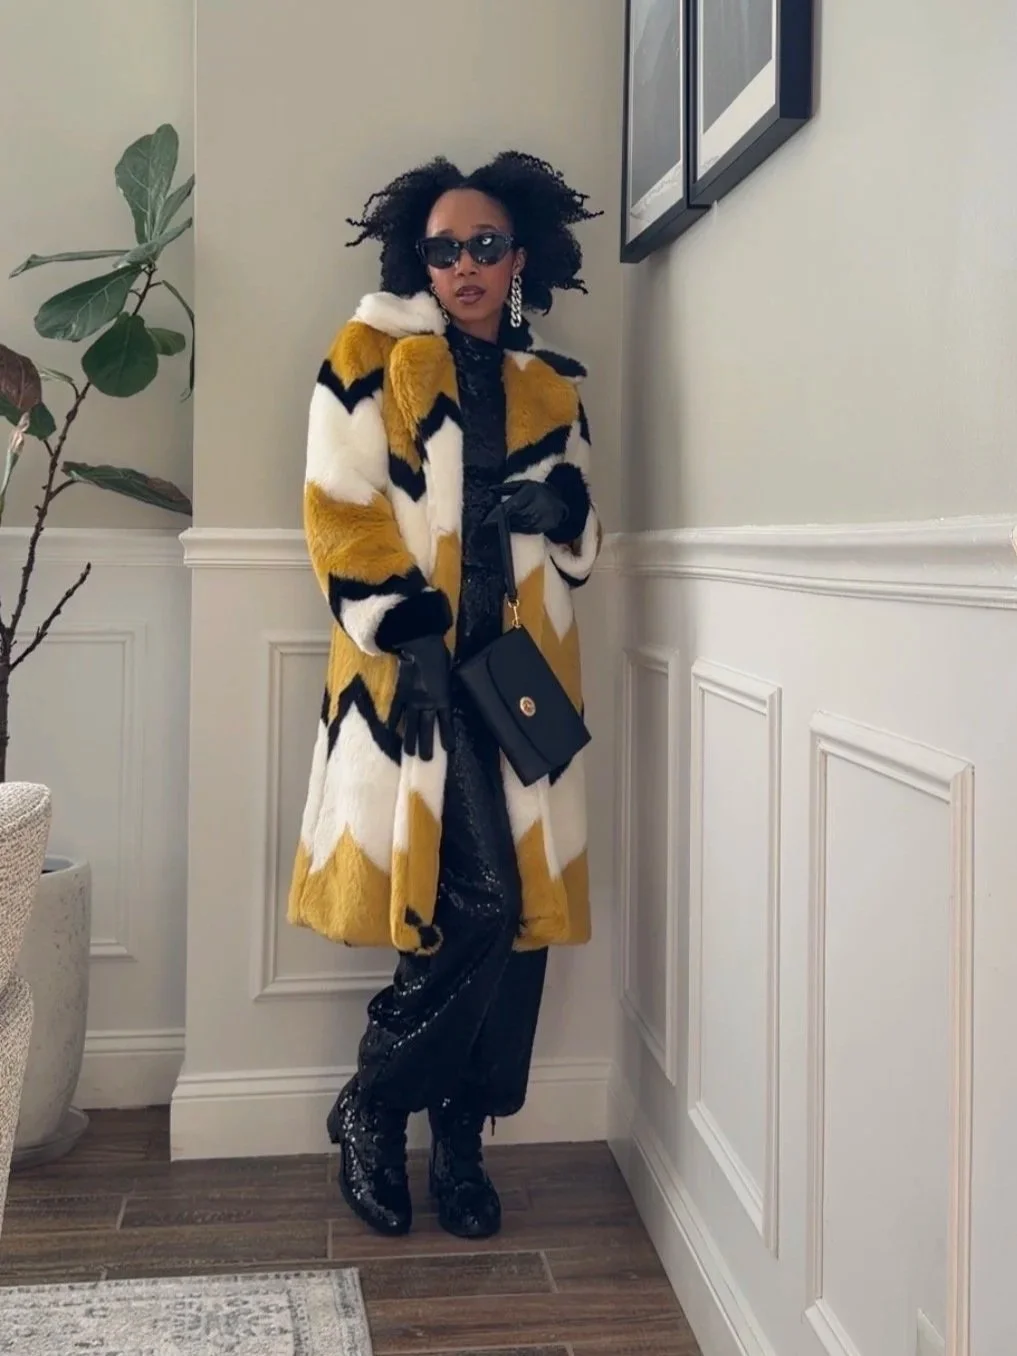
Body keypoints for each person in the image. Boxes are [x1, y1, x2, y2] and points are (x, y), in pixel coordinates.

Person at [287, 151, 602, 1240]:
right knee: (474, 906)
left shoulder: (550, 384)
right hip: (411, 679)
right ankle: (375, 1103)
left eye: (485, 246)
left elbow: (580, 539)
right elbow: (339, 510)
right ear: (415, 259)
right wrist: (407, 635)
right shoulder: (368, 356)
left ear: (519, 260)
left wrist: (563, 512)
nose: (464, 265)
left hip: (519, 678)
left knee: (523, 930)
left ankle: (462, 1136)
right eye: (443, 248)